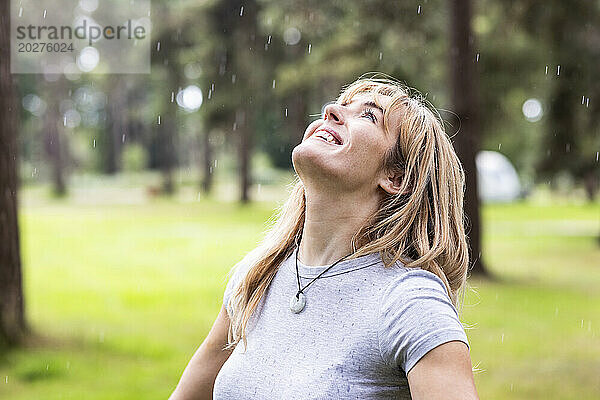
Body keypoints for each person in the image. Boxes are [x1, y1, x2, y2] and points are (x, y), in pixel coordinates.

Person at [169, 76, 480, 399]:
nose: (330, 110)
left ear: (395, 177)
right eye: (341, 105)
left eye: (369, 115)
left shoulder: (409, 302)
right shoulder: (258, 277)